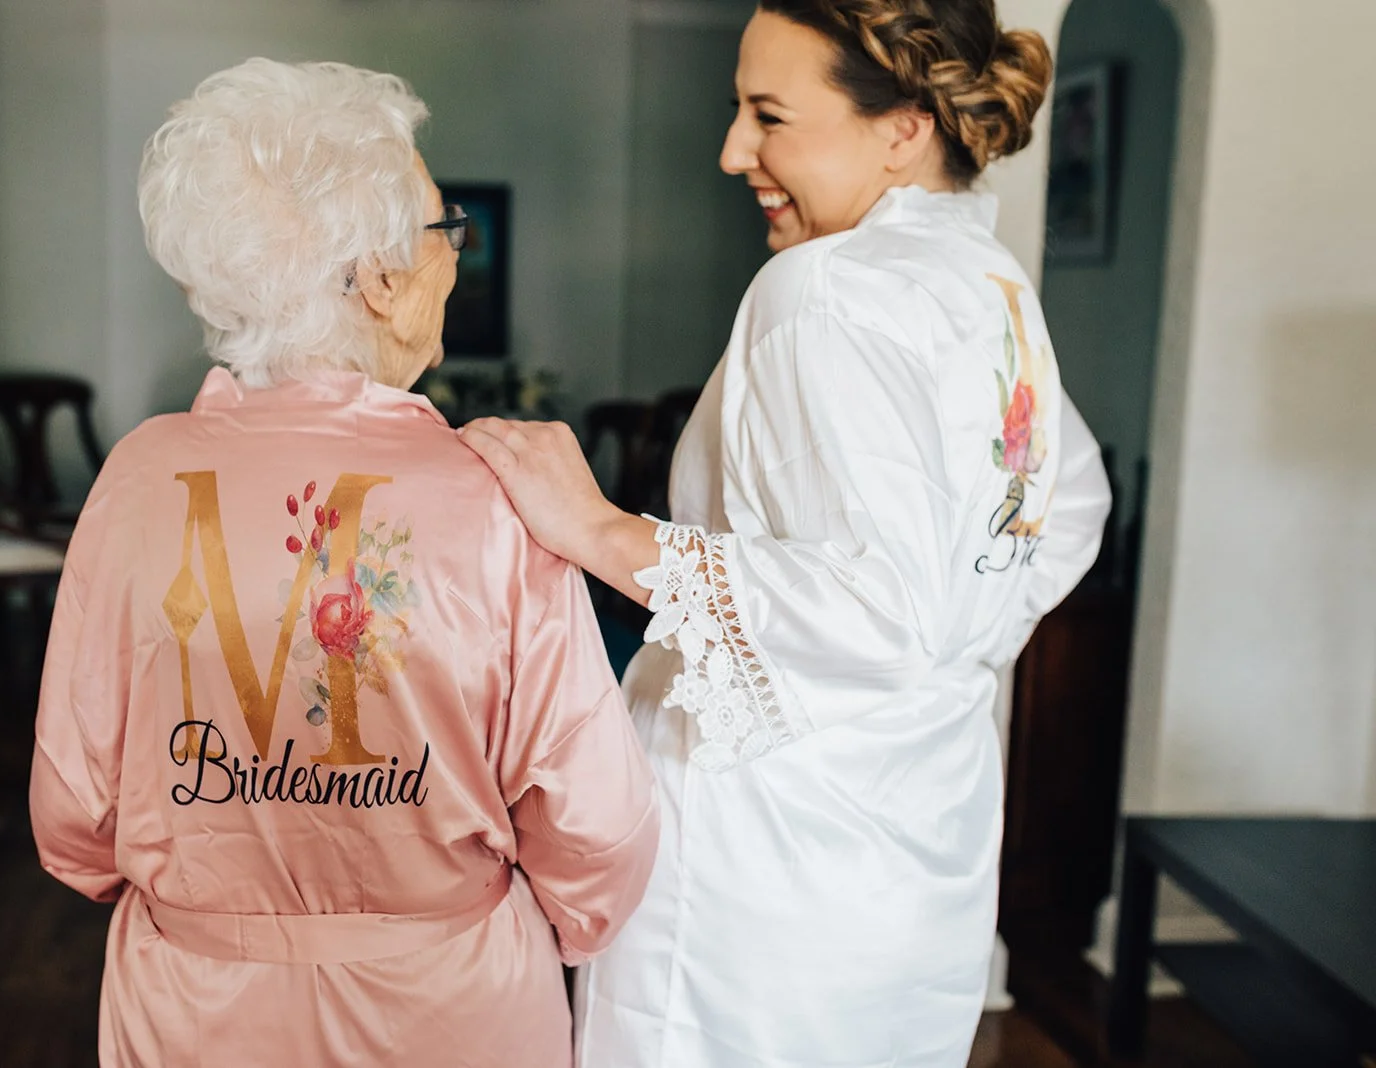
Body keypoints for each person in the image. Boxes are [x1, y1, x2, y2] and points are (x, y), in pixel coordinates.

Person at [460, 3, 1113, 1064]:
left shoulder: (821, 290)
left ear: (903, 126)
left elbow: (877, 607)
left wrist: (598, 528)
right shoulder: (988, 283)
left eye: (769, 116)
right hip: (925, 841)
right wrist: (958, 646)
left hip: (762, 866)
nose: (733, 151)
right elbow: (1072, 502)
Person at [29, 58, 659, 1068]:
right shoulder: (496, 492)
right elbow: (596, 829)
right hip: (451, 1008)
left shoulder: (138, 478)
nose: (454, 253)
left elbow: (74, 812)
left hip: (193, 1009)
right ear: (378, 278)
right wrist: (558, 928)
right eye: (444, 228)